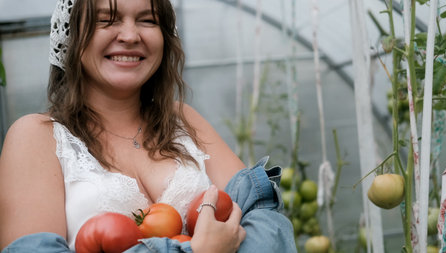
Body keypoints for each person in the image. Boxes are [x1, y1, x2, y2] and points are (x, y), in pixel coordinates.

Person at [0, 0, 296, 252]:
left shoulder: (184, 120)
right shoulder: (37, 136)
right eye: (107, 20)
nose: (130, 35)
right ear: (72, 35)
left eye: (148, 20)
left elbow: (264, 222)